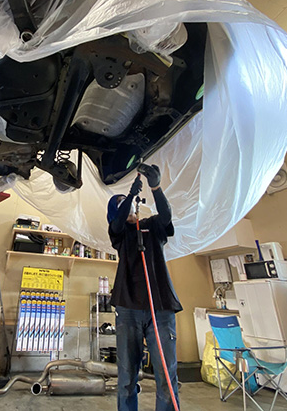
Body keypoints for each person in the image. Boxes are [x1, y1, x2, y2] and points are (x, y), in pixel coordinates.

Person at [107, 164, 182, 411]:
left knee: (166, 376)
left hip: (161, 309)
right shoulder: (119, 234)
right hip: (128, 309)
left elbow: (166, 216)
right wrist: (129, 195)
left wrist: (156, 187)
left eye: (128, 202)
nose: (128, 206)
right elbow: (117, 223)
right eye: (121, 204)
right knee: (127, 377)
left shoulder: (152, 227)